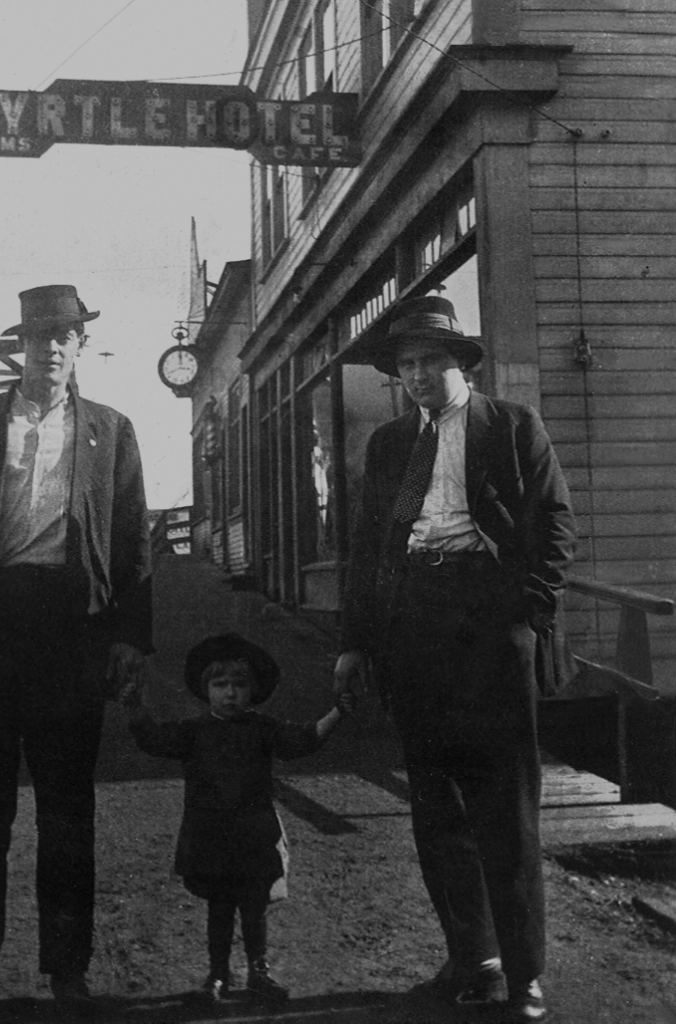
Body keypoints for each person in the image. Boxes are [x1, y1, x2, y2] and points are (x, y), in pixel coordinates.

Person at [0, 284, 152, 1023]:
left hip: (67, 632)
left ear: (81, 347)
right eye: (37, 338)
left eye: (63, 337)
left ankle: (68, 972)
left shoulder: (109, 430)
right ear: (18, 347)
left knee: (67, 812)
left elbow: (133, 540)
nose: (49, 349)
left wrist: (130, 638)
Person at [334, 295, 576, 1023]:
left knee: (506, 807)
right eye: (405, 365)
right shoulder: (388, 446)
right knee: (436, 808)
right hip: (414, 632)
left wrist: (526, 612)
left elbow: (556, 524)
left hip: (490, 628)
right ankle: (472, 957)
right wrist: (354, 643)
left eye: (430, 361)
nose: (416, 375)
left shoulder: (509, 426)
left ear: (459, 363)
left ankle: (526, 973)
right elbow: (369, 549)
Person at [122, 633, 355, 1005]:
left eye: (239, 685)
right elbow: (152, 739)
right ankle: (217, 975)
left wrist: (338, 713)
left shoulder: (263, 729)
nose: (230, 694)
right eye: (220, 685)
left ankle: (258, 972)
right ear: (205, 689)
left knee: (253, 907)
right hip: (210, 837)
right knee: (219, 907)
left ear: (253, 690)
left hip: (254, 837)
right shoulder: (192, 732)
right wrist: (134, 706)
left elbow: (302, 741)